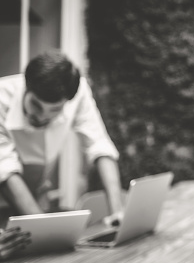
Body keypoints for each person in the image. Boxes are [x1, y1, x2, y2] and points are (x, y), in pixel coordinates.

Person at [0, 51, 123, 224]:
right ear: (26, 86)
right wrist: (44, 228)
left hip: (36, 201)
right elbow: (4, 169)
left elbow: (99, 144)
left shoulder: (78, 92)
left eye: (55, 110)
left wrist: (117, 213)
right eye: (36, 105)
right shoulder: (1, 98)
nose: (43, 116)